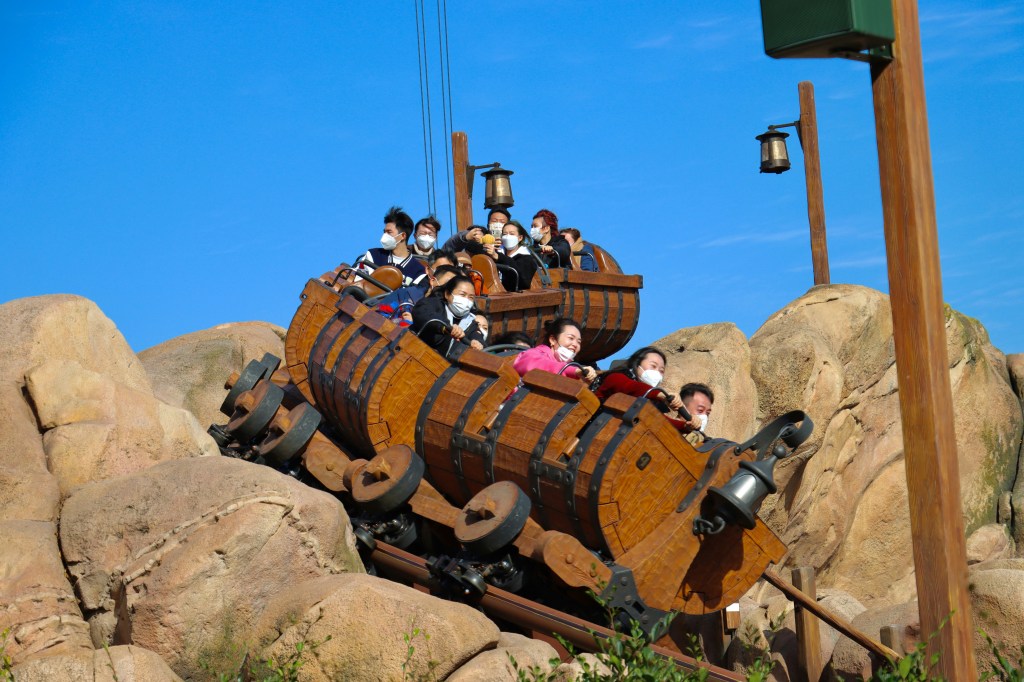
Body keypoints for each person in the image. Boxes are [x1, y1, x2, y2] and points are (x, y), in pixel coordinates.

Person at [590, 347, 702, 432]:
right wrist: (662, 395)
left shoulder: (649, 401)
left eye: (661, 371)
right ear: (637, 365)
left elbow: (660, 420)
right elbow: (630, 387)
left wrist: (686, 426)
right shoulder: (615, 377)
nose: (657, 373)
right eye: (653, 366)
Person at [410, 275, 485, 358]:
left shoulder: (471, 321)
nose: (466, 300)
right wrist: (447, 327)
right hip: (417, 355)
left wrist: (477, 343)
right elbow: (424, 315)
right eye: (462, 295)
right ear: (447, 294)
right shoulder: (432, 304)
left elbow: (477, 336)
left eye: (471, 297)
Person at [356, 206, 429, 289]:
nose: (384, 236)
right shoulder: (373, 255)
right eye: (384, 232)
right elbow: (358, 284)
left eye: (389, 232)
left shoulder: (419, 271)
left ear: (403, 236)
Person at [513, 318, 597, 383]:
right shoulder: (534, 353)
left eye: (579, 342)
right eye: (571, 338)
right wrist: (574, 371)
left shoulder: (574, 371)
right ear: (553, 340)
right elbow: (531, 366)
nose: (575, 345)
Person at [481, 220, 537, 292]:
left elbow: (522, 281)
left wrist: (498, 257)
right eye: (504, 234)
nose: (507, 237)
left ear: (520, 238)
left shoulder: (527, 258)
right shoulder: (496, 252)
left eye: (512, 234)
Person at [442, 207, 510, 252]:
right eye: (494, 221)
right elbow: (448, 247)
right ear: (488, 225)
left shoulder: (512, 246)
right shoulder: (477, 239)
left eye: (502, 222)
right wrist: (466, 237)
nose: (498, 224)